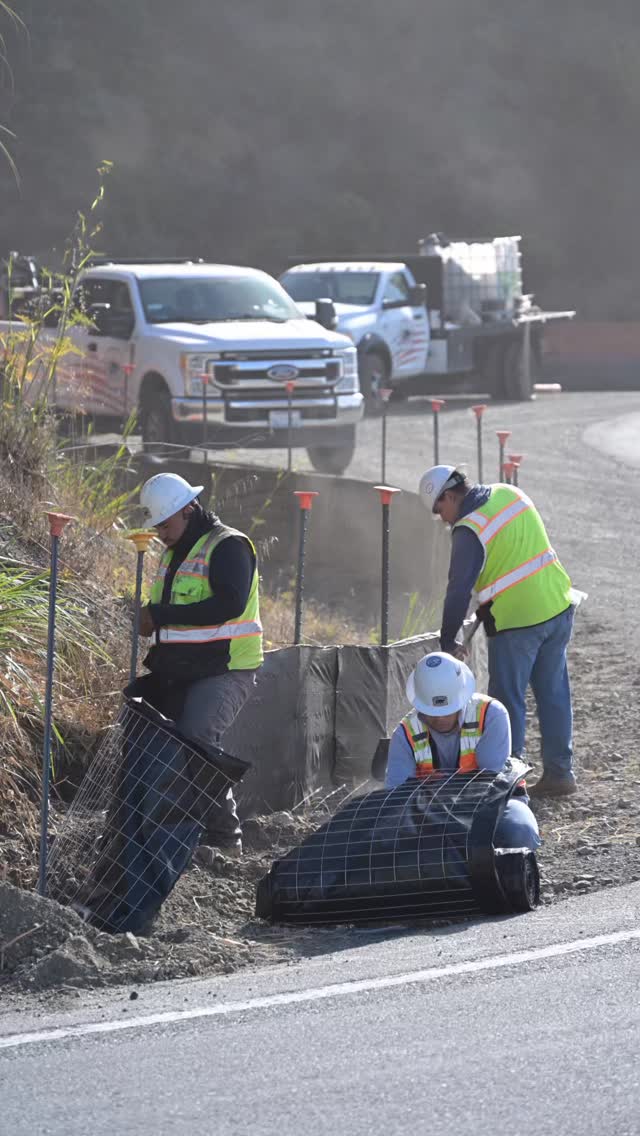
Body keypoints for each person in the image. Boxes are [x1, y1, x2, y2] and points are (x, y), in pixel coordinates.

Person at [419, 464, 576, 797]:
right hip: (558, 605)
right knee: (554, 694)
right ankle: (561, 774)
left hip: (518, 623)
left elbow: (458, 589)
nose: (443, 519)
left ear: (449, 495)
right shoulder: (509, 493)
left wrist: (449, 640)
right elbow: (517, 558)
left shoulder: (468, 528)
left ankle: (509, 784)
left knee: (507, 702)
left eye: (439, 510)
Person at [136, 472, 263, 856]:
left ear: (188, 509)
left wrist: (159, 614)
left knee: (197, 741)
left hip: (226, 668)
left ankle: (224, 836)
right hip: (183, 668)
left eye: (165, 523)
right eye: (156, 525)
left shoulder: (228, 546)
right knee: (161, 742)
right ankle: (165, 829)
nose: (160, 532)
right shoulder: (175, 552)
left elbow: (229, 604)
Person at [385, 651, 540, 851]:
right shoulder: (405, 733)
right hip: (430, 814)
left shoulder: (491, 714)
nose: (440, 719)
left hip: (493, 804)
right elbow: (397, 797)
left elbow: (493, 783)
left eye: (446, 711)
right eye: (433, 713)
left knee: (519, 833)